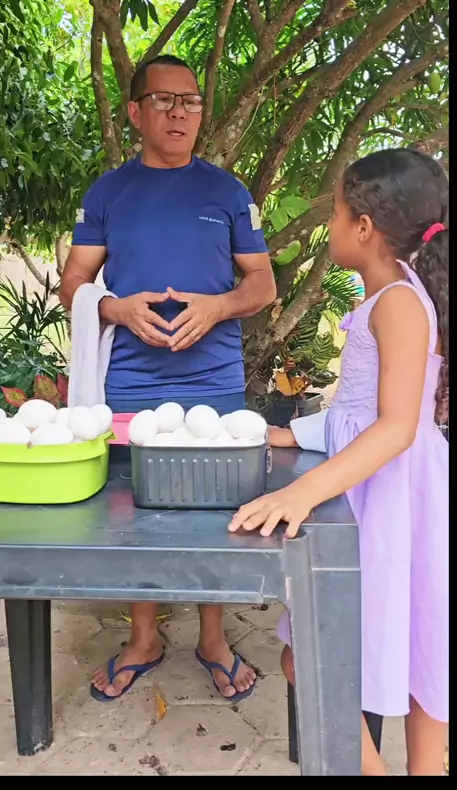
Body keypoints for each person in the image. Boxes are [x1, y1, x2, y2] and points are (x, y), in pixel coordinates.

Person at [60, 54, 276, 703]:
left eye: (192, 101)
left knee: (217, 513)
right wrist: (114, 308)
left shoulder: (228, 193)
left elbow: (262, 284)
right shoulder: (108, 194)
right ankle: (143, 638)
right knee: (133, 513)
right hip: (130, 382)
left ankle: (213, 639)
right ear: (135, 111)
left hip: (213, 382)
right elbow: (74, 280)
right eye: (165, 100)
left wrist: (219, 306)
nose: (181, 112)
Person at [229, 148, 448, 775]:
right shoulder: (389, 297)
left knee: (323, 653)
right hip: (383, 491)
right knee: (406, 647)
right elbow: (359, 410)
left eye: (335, 213)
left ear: (364, 227)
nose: (330, 225)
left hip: (392, 500)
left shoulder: (398, 303)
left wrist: (302, 492)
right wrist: (294, 433)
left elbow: (395, 427)